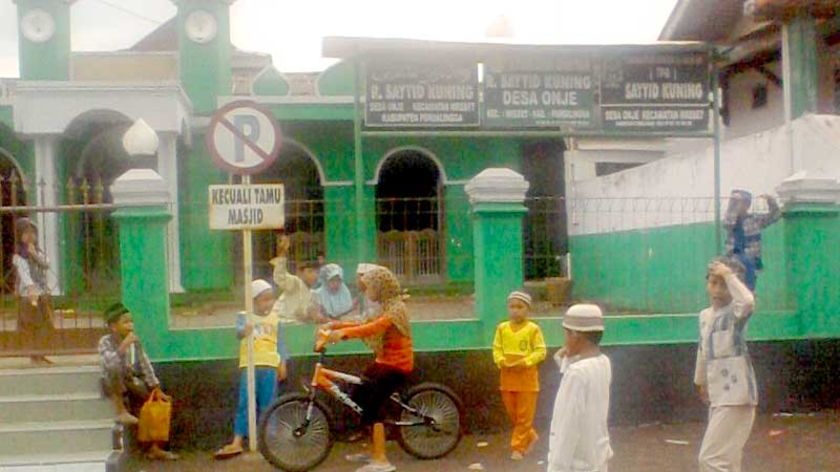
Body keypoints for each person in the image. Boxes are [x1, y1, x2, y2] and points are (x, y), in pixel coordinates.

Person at [326, 266, 413, 472]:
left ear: (381, 287)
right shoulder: (384, 306)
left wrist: (344, 334)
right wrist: (335, 325)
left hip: (397, 366)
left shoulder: (395, 309)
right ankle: (372, 449)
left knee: (374, 407)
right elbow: (363, 322)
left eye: (369, 288)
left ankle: (381, 460)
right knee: (359, 396)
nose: (367, 292)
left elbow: (373, 328)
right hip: (384, 361)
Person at [214, 279, 289, 459]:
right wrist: (244, 329)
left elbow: (281, 343)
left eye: (271, 299)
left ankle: (268, 441)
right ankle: (237, 441)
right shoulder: (244, 315)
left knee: (269, 404)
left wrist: (283, 363)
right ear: (254, 301)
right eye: (264, 299)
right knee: (245, 403)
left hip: (270, 365)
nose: (269, 303)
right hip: (250, 365)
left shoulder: (276, 319)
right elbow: (239, 332)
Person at [695, 258, 757, 472]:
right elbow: (702, 350)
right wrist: (700, 381)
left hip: (737, 396)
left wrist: (729, 275)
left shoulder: (735, 314)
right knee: (728, 461)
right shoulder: (704, 316)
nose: (718, 291)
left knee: (710, 459)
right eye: (713, 283)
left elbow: (748, 302)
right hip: (718, 396)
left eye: (724, 285)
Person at [98, 302, 178, 461]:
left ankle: (153, 448)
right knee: (114, 369)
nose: (130, 325)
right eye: (125, 322)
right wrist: (123, 347)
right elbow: (109, 364)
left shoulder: (135, 341)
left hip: (129, 379)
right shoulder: (105, 342)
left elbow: (144, 362)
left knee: (151, 402)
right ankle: (121, 411)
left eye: (131, 321)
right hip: (112, 382)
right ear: (114, 326)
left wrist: (155, 387)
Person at [547, 304, 612, 472]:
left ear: (576, 335)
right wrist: (566, 360)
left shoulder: (576, 374)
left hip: (577, 465)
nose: (565, 340)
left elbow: (567, 428)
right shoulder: (604, 362)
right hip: (597, 458)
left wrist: (555, 468)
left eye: (566, 334)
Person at [492, 291, 546, 461]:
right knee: (513, 414)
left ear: (527, 309)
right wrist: (500, 360)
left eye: (520, 307)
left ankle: (518, 447)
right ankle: (530, 435)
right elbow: (496, 348)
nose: (515, 311)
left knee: (524, 415)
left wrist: (527, 361)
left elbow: (541, 351)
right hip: (507, 378)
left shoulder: (533, 329)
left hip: (527, 380)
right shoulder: (502, 328)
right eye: (512, 307)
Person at [12, 217, 54, 365]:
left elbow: (46, 264)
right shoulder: (19, 256)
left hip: (42, 293)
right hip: (28, 295)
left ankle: (41, 353)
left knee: (45, 324)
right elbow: (24, 274)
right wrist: (30, 288)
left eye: (32, 233)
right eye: (26, 233)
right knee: (31, 324)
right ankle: (33, 355)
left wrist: (34, 254)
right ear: (20, 236)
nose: (30, 236)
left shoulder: (38, 252)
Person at [724, 190, 781, 291]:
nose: (736, 205)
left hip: (751, 261)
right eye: (733, 203)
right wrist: (734, 205)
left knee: (748, 291)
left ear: (747, 205)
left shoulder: (754, 220)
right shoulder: (731, 220)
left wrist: (771, 201)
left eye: (739, 202)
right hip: (733, 261)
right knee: (733, 290)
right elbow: (728, 223)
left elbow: (775, 216)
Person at [270, 234, 321, 324]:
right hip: (281, 322)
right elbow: (279, 276)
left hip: (295, 325)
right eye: (310, 271)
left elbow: (303, 315)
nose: (314, 275)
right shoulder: (295, 283)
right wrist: (282, 254)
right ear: (299, 273)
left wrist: (311, 316)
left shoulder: (312, 294)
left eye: (316, 272)